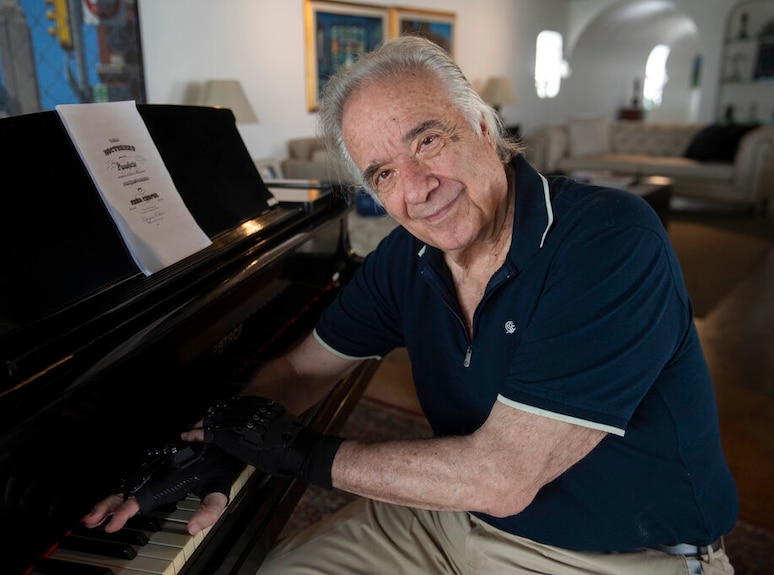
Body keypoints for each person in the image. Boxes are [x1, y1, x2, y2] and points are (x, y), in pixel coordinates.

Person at [84, 36, 738, 574]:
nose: (417, 189)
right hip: (458, 518)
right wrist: (219, 446)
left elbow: (502, 476)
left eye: (427, 141)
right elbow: (301, 371)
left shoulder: (609, 241)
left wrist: (296, 450)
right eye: (384, 173)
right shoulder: (407, 259)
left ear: (483, 123)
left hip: (614, 553)